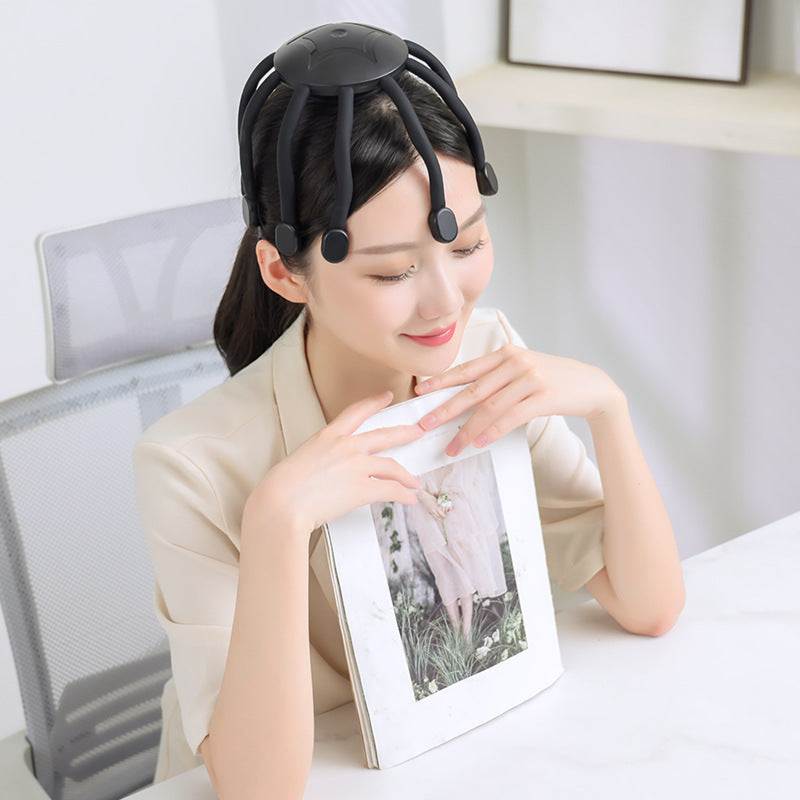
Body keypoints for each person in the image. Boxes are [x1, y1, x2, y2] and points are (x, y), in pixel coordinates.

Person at [133, 35, 684, 800]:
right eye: (392, 271)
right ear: (282, 271)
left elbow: (650, 607)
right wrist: (277, 521)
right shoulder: (190, 463)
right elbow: (258, 788)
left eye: (470, 245)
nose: (447, 303)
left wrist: (608, 408)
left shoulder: (488, 356)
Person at [405, 456, 507, 641]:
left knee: (461, 569)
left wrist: (445, 496)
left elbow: (464, 472)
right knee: (441, 569)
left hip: (454, 507)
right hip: (425, 510)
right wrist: (423, 495)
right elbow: (405, 476)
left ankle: (466, 631)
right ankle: (455, 626)